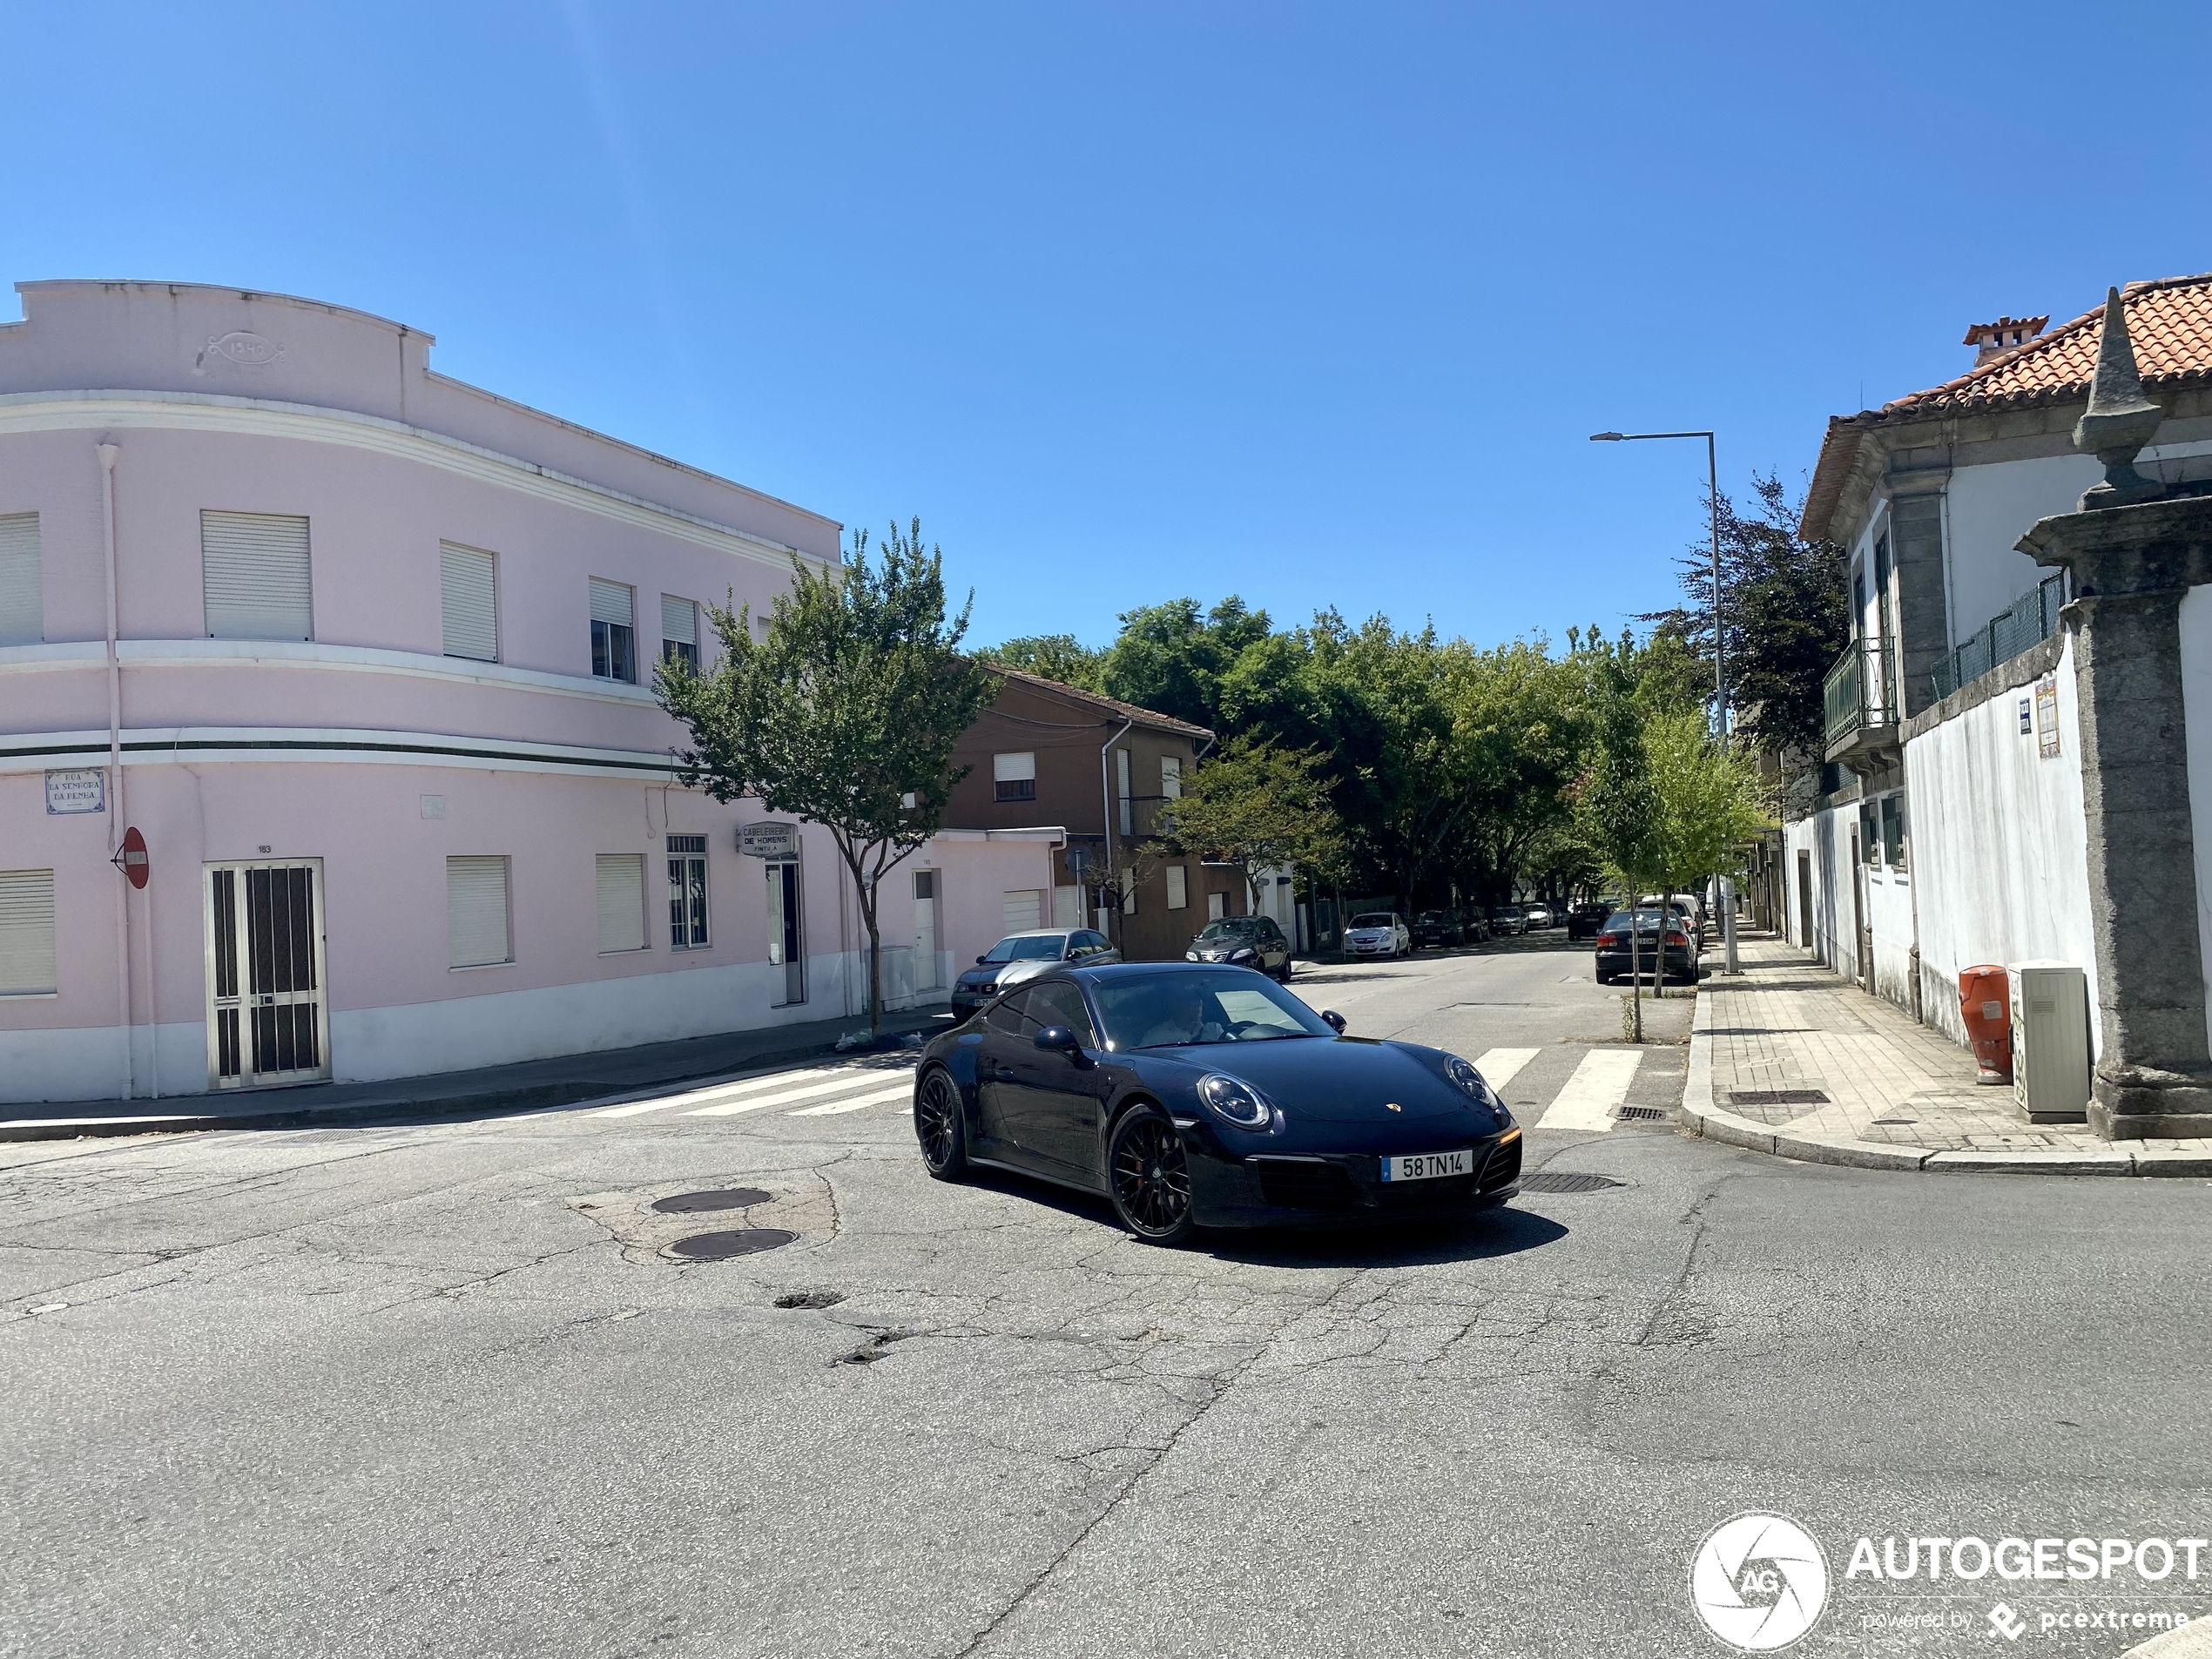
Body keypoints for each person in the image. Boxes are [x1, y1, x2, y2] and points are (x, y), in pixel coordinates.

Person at [1136, 978, 1228, 1049]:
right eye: (1189, 1000)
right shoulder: (1157, 1036)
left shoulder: (1214, 1029)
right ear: (1175, 1004)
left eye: (1198, 999)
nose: (1197, 1004)